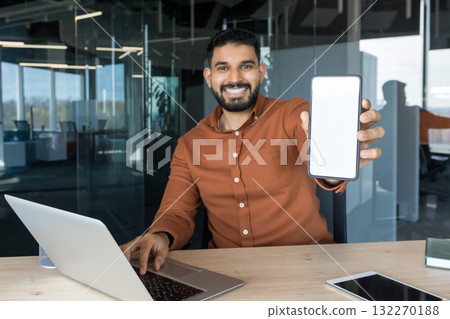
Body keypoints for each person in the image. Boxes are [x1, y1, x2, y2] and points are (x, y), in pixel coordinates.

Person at [121, 28, 385, 274]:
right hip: (228, 273)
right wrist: (160, 236)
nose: (235, 78)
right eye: (223, 68)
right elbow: (176, 213)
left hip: (308, 266)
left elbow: (321, 158)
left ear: (261, 72)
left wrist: (335, 163)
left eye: (245, 67)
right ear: (209, 76)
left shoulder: (293, 114)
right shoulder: (190, 145)